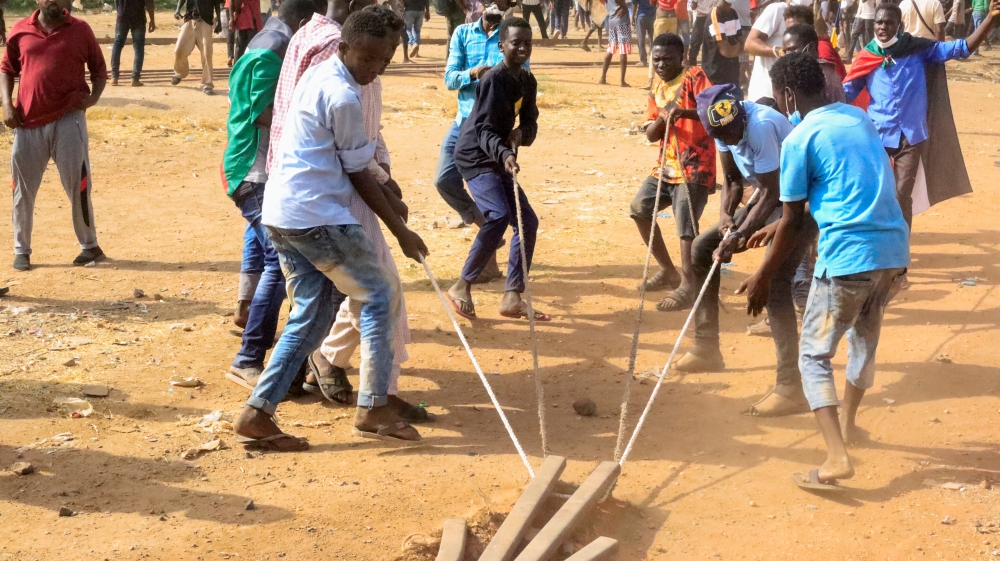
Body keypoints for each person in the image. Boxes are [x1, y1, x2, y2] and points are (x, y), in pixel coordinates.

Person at [234, 5, 430, 450]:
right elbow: (359, 171)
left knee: (312, 313)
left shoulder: (321, 75)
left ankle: (257, 412)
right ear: (343, 47)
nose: (375, 68)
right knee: (379, 294)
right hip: (315, 216)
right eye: (368, 57)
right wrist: (400, 231)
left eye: (385, 59)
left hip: (283, 213)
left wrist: (391, 197)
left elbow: (356, 162)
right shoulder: (342, 95)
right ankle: (374, 405)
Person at [738, 53, 909, 489]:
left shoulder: (799, 138)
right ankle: (847, 425)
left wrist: (762, 276)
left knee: (813, 356)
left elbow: (794, 219)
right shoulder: (859, 119)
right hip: (891, 252)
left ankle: (835, 458)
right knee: (863, 341)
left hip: (847, 258)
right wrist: (780, 224)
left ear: (788, 94)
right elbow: (847, 190)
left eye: (780, 98)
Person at [676, 84, 819, 421]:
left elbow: (771, 192)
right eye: (722, 136)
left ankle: (790, 387)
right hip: (769, 200)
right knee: (702, 250)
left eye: (733, 132)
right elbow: (733, 180)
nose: (730, 138)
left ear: (740, 115)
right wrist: (727, 217)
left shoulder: (760, 126)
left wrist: (740, 234)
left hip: (800, 205)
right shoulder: (722, 127)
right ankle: (707, 346)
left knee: (777, 282)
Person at [222, 0, 324, 389]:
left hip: (254, 165)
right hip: (254, 169)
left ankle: (247, 310)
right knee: (280, 261)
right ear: (304, 21)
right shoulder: (276, 47)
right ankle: (249, 358)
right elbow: (261, 110)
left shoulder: (266, 37)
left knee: (260, 240)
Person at [843, 1, 995, 231]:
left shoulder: (918, 49)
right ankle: (877, 239)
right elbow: (846, 93)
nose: (883, 27)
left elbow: (961, 48)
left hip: (910, 136)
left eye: (889, 23)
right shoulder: (867, 56)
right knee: (874, 191)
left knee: (902, 193)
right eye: (879, 22)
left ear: (899, 25)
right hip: (877, 135)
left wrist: (989, 19)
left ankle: (900, 243)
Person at [446, 17, 550, 322]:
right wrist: (504, 152)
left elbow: (530, 121)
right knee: (498, 215)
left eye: (528, 43)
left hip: (498, 156)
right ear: (502, 45)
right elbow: (484, 129)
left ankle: (512, 296)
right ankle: (461, 285)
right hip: (475, 155)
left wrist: (520, 134)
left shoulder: (527, 81)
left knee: (527, 222)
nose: (523, 48)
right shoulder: (493, 79)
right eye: (516, 43)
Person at [2, 0, 108, 272]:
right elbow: (6, 69)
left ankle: (90, 246)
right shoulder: (20, 29)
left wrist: (92, 99)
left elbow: (99, 70)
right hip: (27, 122)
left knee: (78, 186)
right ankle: (21, 250)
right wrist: (6, 105)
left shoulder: (81, 29)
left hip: (68, 119)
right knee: (22, 190)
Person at [436, 0, 520, 282]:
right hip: (463, 123)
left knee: (491, 196)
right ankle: (489, 233)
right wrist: (472, 73)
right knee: (443, 180)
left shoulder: (512, 36)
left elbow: (521, 80)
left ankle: (489, 264)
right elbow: (449, 79)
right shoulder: (463, 33)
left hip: (492, 131)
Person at [632, 33, 715, 314]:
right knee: (639, 209)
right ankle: (669, 271)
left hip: (695, 165)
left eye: (667, 59)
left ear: (682, 57)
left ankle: (689, 286)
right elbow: (650, 134)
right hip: (665, 167)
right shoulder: (657, 88)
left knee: (685, 226)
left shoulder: (694, 76)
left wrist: (682, 112)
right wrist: (661, 119)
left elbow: (712, 111)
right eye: (656, 59)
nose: (661, 64)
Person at [784, 23, 844, 101]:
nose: (788, 55)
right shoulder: (806, 72)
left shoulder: (820, 76)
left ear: (811, 47)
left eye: (792, 49)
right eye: (786, 51)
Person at [782, 4, 846, 78]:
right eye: (788, 29)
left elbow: (830, 79)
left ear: (811, 26)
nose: (791, 33)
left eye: (797, 28)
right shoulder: (795, 49)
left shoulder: (821, 48)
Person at [172, 0, 221, 95]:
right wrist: (177, 10)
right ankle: (180, 73)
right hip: (190, 19)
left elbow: (217, 4)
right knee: (179, 49)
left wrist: (219, 22)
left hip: (206, 22)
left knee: (207, 53)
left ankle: (207, 84)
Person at [110, 0, 155, 87]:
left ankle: (114, 77)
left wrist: (119, 12)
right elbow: (149, 2)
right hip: (138, 17)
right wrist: (152, 19)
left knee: (117, 45)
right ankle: (135, 78)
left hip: (123, 16)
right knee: (138, 48)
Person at [699, 0, 743, 87]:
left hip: (732, 71)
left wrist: (738, 47)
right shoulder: (716, 14)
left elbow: (741, 41)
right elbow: (726, 51)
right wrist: (740, 47)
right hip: (716, 74)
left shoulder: (733, 13)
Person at [600, 0, 632, 86]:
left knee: (610, 49)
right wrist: (624, 7)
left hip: (612, 20)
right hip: (622, 21)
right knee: (623, 50)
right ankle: (622, 81)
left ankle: (603, 78)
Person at [634, 0, 656, 69]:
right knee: (653, 38)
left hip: (641, 16)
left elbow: (634, 4)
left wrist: (633, 16)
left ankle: (643, 60)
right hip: (653, 16)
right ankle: (654, 58)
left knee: (640, 39)